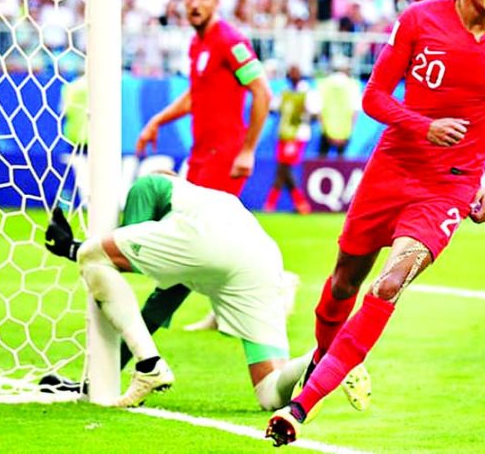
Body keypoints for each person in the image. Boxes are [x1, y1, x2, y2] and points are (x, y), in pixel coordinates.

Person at [266, 0, 485, 446]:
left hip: (451, 186)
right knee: (342, 286)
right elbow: (374, 97)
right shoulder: (420, 20)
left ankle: (303, 405)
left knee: (390, 282)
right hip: (391, 170)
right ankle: (337, 362)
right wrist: (423, 125)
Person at [41, 173, 365, 410]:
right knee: (271, 392)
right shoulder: (203, 204)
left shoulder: (147, 185)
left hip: (207, 242)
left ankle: (147, 367)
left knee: (91, 258)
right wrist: (104, 376)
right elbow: (156, 309)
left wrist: (73, 248)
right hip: (261, 257)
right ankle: (327, 355)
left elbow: (119, 255)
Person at [132, 0, 272, 340]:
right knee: (210, 237)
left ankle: (144, 328)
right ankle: (255, 297)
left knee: (189, 236)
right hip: (202, 156)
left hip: (224, 158)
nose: (194, 3)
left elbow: (262, 92)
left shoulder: (230, 40)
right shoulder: (198, 44)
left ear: (216, 1)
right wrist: (157, 121)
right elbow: (196, 96)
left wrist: (247, 150)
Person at [264, 66, 317, 214]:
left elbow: (315, 114)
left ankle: (272, 204)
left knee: (284, 168)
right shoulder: (285, 92)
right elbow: (273, 108)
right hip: (283, 134)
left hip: (298, 134)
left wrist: (304, 114)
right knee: (284, 168)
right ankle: (300, 204)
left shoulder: (307, 93)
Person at [316, 56, 362, 158]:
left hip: (326, 131)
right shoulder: (353, 85)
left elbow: (318, 110)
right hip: (344, 132)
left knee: (320, 164)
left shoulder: (323, 83)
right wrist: (349, 131)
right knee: (342, 166)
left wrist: (324, 129)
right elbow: (355, 112)